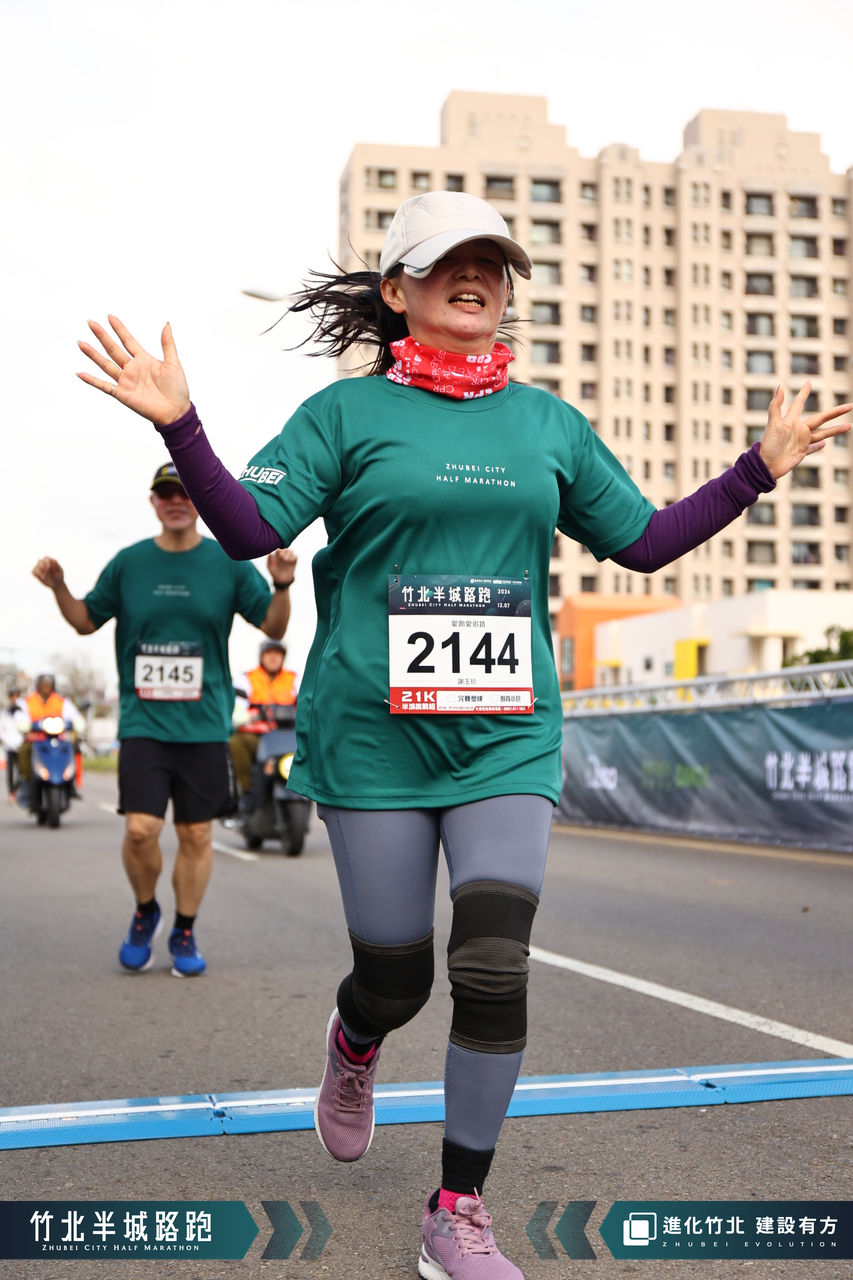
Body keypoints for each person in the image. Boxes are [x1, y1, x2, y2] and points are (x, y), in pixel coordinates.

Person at [77, 190, 850, 1277]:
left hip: (504, 736)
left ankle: (456, 1207)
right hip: (374, 737)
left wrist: (754, 470)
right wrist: (181, 424)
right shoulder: (344, 415)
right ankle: (355, 1044)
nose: (476, 276)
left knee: (490, 961)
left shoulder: (546, 425)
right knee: (395, 975)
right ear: (397, 292)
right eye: (449, 262)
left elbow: (638, 542)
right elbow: (250, 528)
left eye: (491, 261)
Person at [32, 463, 296, 978]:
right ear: (153, 502)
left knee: (196, 836)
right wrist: (60, 587)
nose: (176, 501)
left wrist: (281, 585)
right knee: (140, 830)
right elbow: (85, 621)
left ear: (199, 500)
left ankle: (184, 929)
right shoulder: (130, 563)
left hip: (203, 726)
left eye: (185, 492)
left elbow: (273, 624)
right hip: (144, 723)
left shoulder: (228, 562)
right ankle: (145, 910)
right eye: (165, 493)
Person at [229, 638, 299, 804]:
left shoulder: (295, 679)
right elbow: (236, 713)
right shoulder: (246, 679)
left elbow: (306, 705)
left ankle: (307, 787)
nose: (273, 657)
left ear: (283, 657)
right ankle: (246, 789)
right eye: (269, 653)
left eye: (277, 653)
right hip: (258, 737)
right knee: (236, 742)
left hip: (287, 737)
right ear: (261, 656)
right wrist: (254, 715)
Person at [15, 673, 85, 796]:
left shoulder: (60, 701)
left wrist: (78, 722)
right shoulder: (28, 701)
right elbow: (20, 716)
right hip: (36, 739)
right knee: (23, 752)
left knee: (74, 748)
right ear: (38, 686)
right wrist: (24, 725)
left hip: (58, 739)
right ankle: (26, 781)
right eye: (43, 684)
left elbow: (74, 715)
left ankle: (71, 783)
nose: (46, 687)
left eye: (48, 684)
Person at [1, 688, 24, 802]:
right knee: (10, 771)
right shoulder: (5, 713)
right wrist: (8, 741)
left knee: (22, 771)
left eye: (17, 696)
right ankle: (11, 793)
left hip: (21, 746)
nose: (15, 699)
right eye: (13, 697)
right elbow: (2, 730)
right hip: (9, 746)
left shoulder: (23, 711)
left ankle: (17, 790)